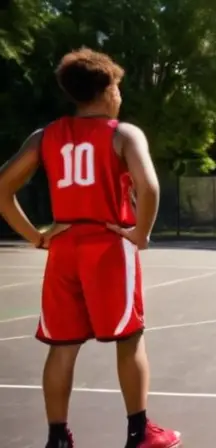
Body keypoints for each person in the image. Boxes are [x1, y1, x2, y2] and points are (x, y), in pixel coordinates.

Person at [0, 48, 181, 448]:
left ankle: (57, 439)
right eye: (117, 86)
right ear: (106, 90)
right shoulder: (124, 133)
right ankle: (140, 434)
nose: (120, 94)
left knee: (61, 347)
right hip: (108, 244)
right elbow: (149, 186)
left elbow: (2, 187)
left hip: (64, 248)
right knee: (129, 338)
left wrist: (36, 236)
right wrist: (142, 233)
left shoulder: (45, 136)